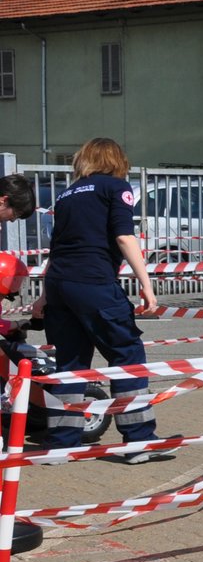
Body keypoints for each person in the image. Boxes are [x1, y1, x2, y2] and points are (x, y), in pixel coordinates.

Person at [32, 138, 173, 464]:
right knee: (128, 356)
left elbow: (58, 248)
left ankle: (60, 446)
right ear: (116, 160)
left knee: (70, 366)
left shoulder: (67, 194)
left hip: (60, 287)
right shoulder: (116, 187)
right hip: (94, 282)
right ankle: (138, 442)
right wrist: (147, 285)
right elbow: (124, 236)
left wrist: (43, 297)